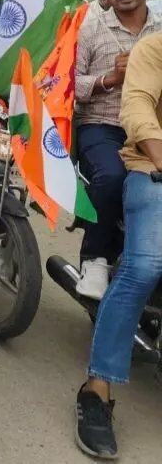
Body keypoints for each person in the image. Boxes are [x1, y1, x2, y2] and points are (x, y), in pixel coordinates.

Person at [73, 28, 162, 460]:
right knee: (145, 267)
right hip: (152, 168)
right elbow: (138, 106)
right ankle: (97, 387)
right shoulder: (154, 48)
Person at [73, 0, 161, 300]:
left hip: (153, 128)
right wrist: (110, 78)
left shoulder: (160, 28)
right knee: (112, 178)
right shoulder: (88, 27)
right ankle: (94, 259)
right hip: (102, 125)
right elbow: (66, 84)